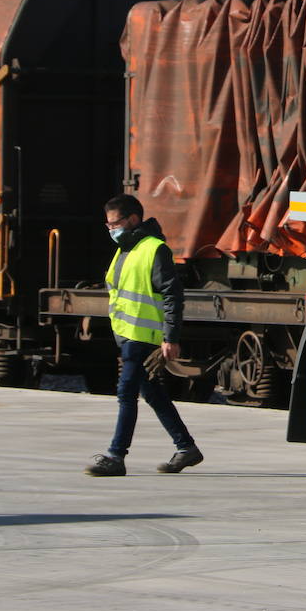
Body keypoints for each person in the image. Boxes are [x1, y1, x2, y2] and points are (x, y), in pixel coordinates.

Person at [84, 194, 204, 477]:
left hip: (143, 336)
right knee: (151, 392)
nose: (112, 230)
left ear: (133, 220)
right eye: (108, 225)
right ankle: (186, 447)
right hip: (127, 335)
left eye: (116, 224)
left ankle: (116, 456)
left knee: (126, 392)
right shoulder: (125, 249)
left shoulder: (154, 249)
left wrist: (170, 338)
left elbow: (172, 295)